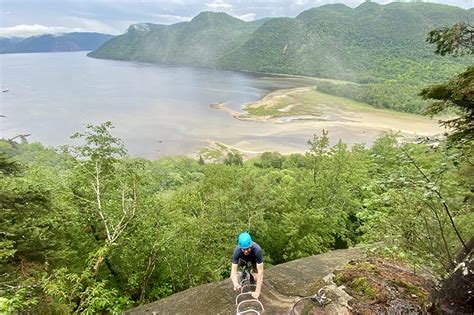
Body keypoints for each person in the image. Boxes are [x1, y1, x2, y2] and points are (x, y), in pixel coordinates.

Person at [230, 232, 264, 299]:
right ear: (240, 247)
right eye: (244, 249)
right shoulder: (237, 251)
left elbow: (261, 272)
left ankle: (251, 274)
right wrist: (235, 284)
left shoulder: (257, 250)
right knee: (241, 267)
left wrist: (257, 292)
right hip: (242, 259)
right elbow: (233, 271)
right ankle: (244, 273)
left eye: (247, 249)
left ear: (251, 245)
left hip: (254, 258)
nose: (246, 251)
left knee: (256, 277)